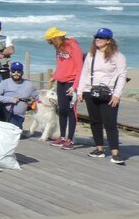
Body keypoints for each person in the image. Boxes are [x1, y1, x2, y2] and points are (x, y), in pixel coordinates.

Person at [79, 28, 128, 165]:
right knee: (95, 121)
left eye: (101, 37)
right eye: (96, 37)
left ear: (109, 40)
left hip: (109, 93)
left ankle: (115, 153)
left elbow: (122, 76)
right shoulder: (91, 55)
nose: (98, 39)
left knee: (110, 123)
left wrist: (117, 95)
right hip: (90, 90)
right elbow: (84, 73)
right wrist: (80, 91)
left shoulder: (118, 56)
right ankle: (99, 149)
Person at [45, 26, 84, 149]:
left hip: (71, 83)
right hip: (61, 82)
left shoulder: (74, 47)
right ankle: (62, 137)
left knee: (71, 111)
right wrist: (54, 77)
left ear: (57, 38)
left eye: (51, 41)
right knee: (61, 110)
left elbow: (80, 68)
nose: (51, 43)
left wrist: (75, 86)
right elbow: (61, 65)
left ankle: (70, 140)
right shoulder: (58, 49)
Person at [0, 62, 38, 129]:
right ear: (10, 72)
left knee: (15, 131)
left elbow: (38, 97)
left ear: (22, 73)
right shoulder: (5, 83)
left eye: (19, 71)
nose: (16, 73)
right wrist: (11, 99)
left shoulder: (29, 85)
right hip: (4, 112)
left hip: (18, 116)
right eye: (13, 71)